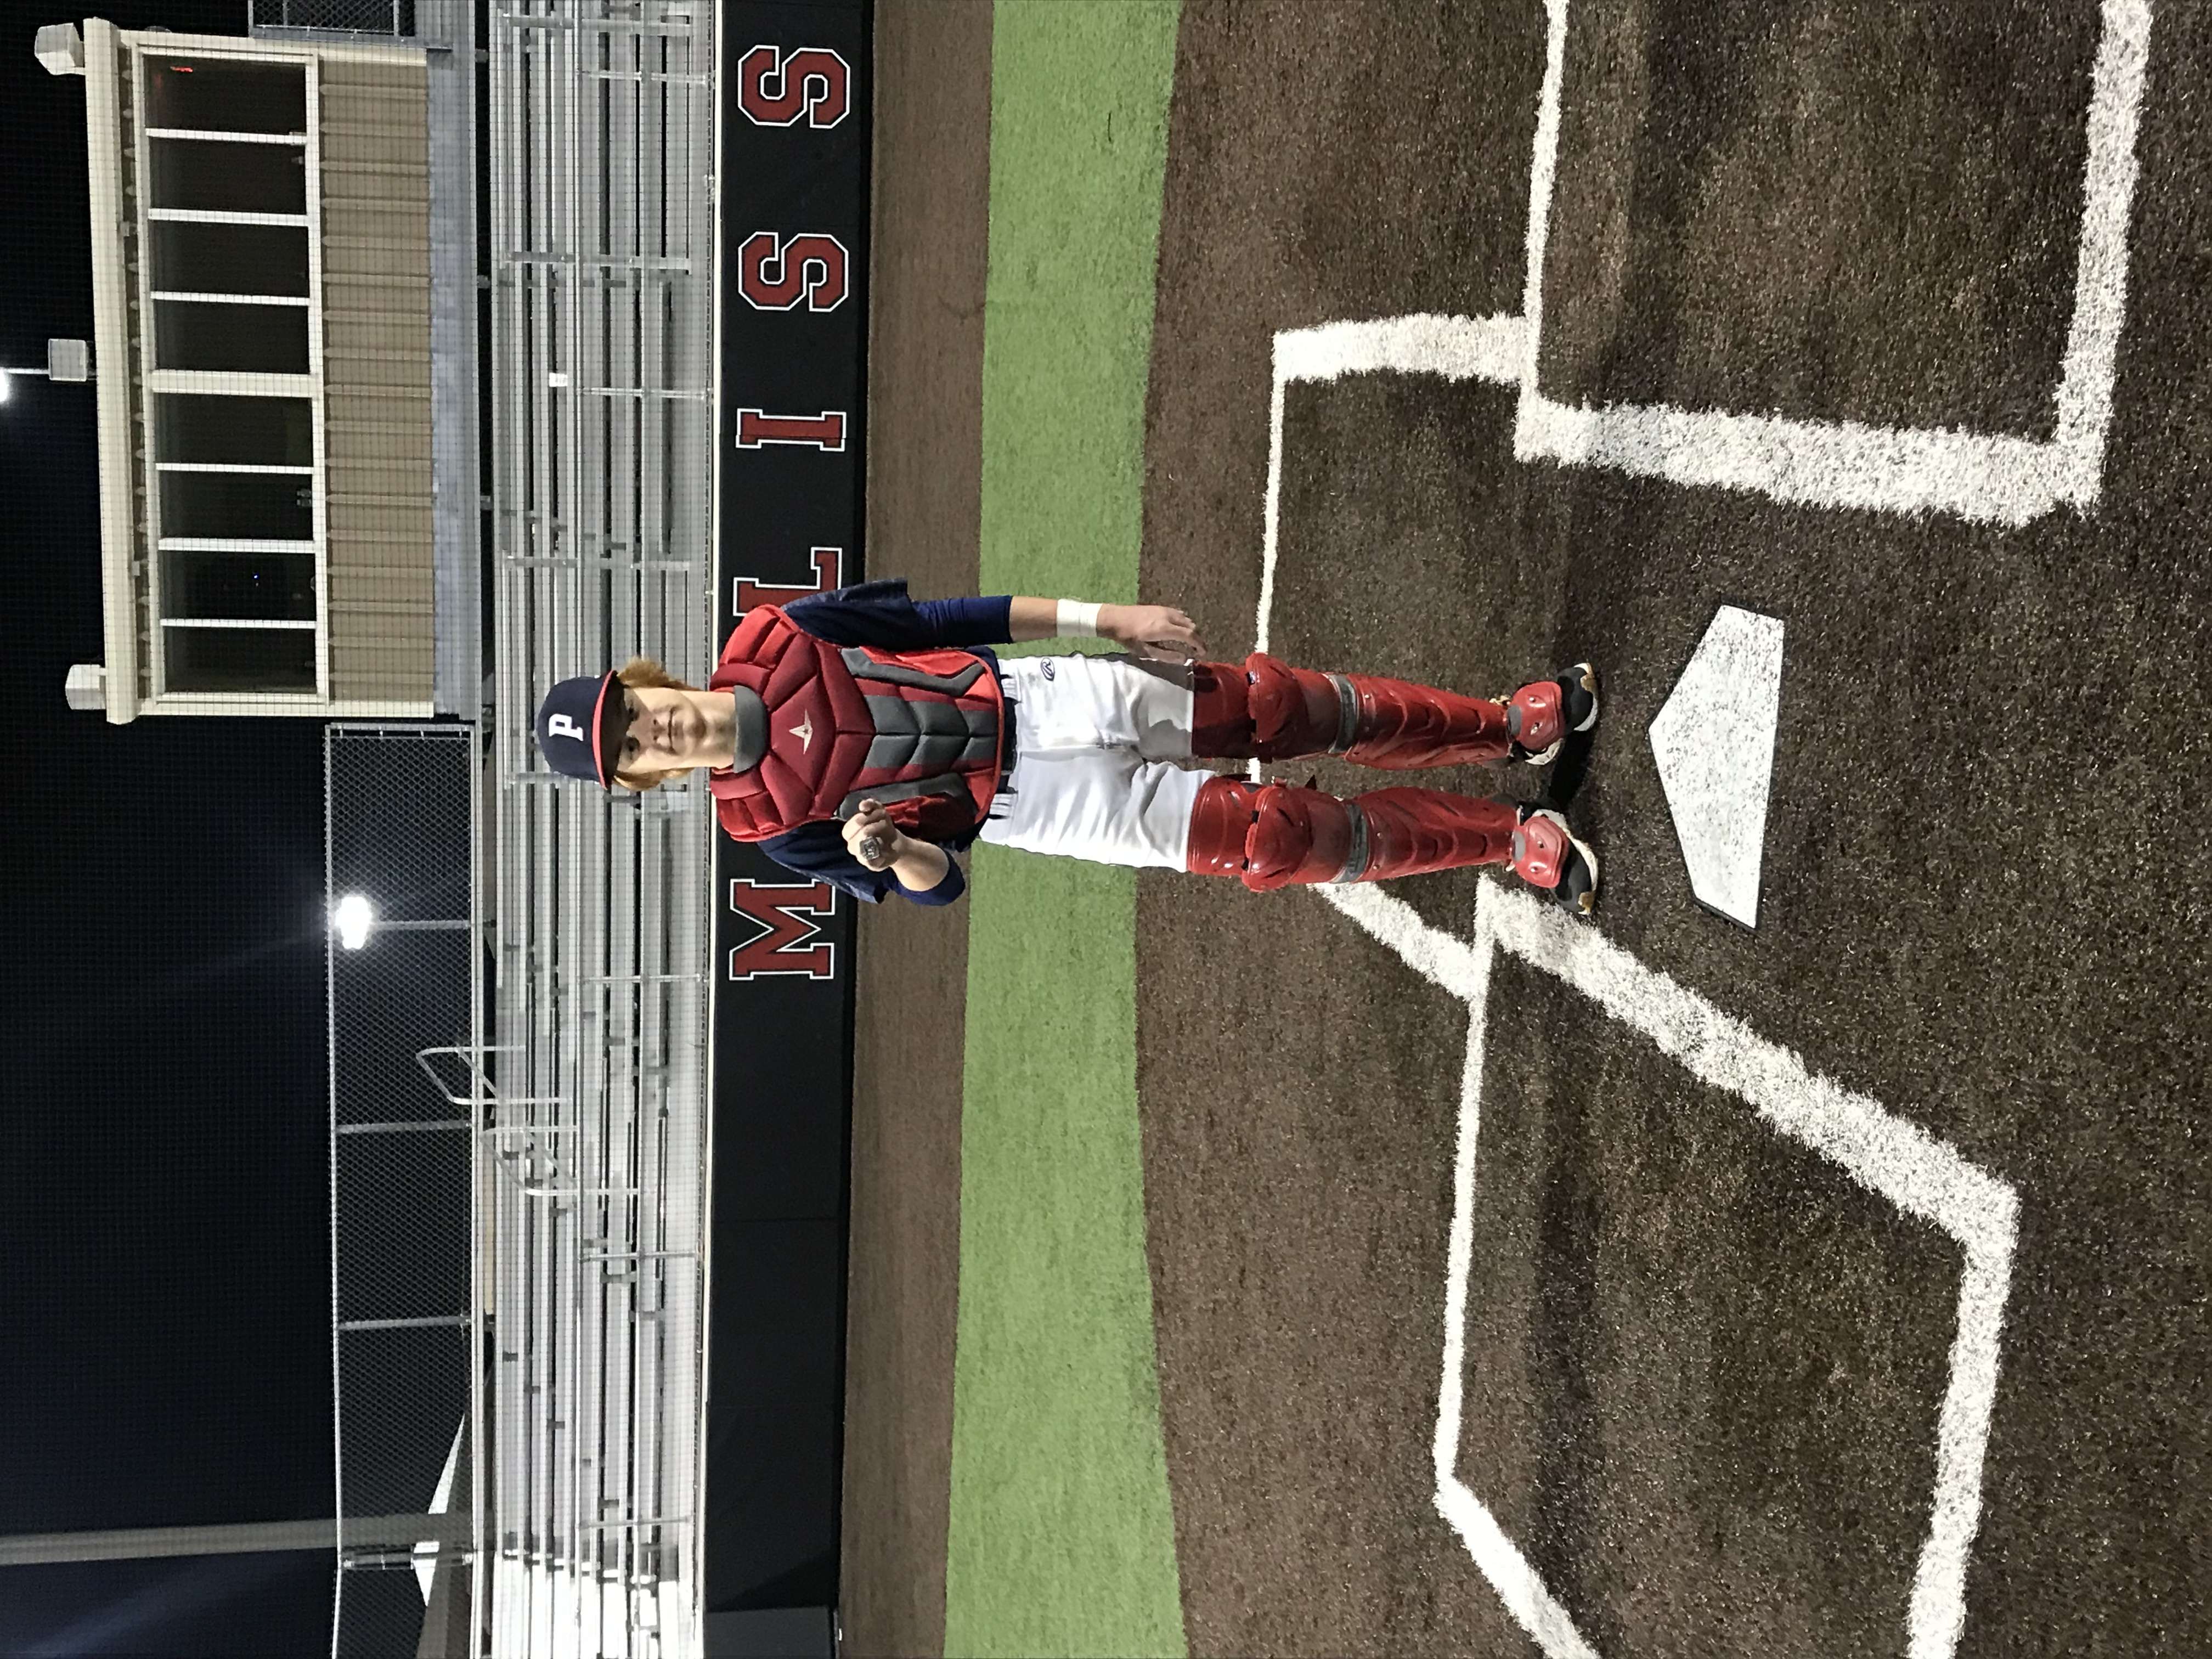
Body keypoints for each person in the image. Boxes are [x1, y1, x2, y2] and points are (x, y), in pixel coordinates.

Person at [532, 580, 1601, 913]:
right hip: (1036, 809)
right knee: (1277, 838)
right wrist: (893, 855)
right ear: (645, 777)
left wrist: (1105, 618)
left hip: (1046, 696)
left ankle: (1501, 726)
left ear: (647, 679)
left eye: (631, 709)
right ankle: (1505, 838)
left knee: (1273, 707)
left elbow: (950, 615)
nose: (649, 728)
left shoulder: (783, 633)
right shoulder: (771, 828)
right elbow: (940, 888)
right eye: (630, 747)